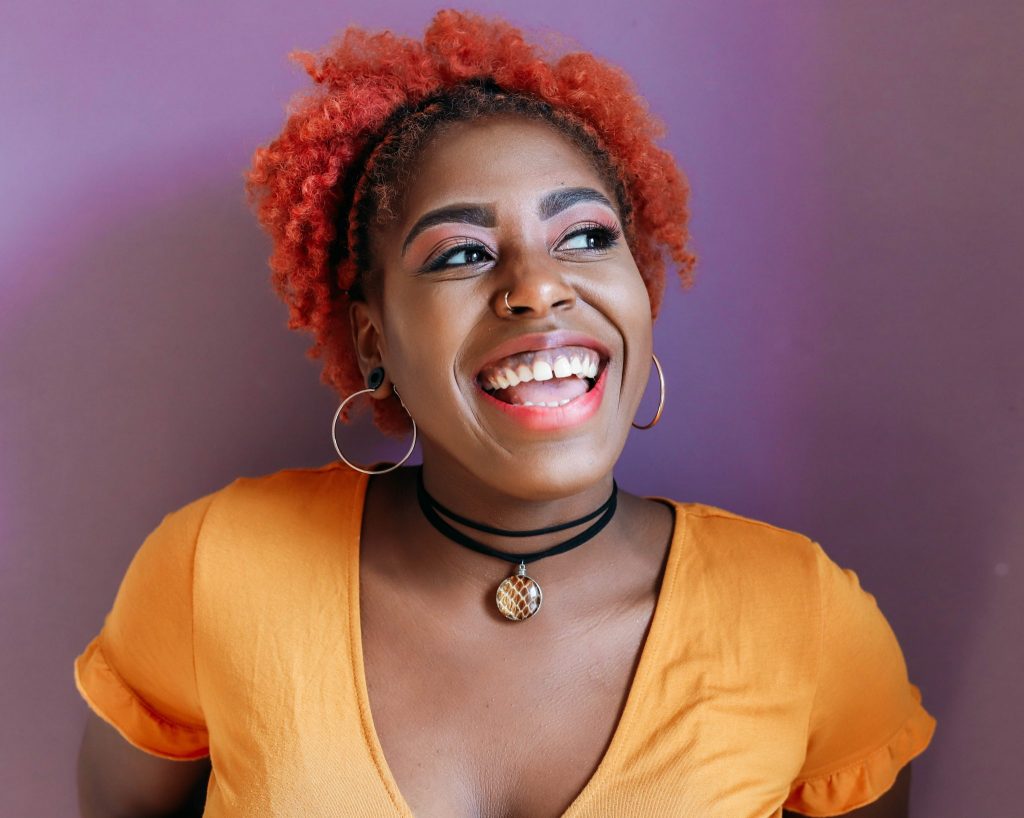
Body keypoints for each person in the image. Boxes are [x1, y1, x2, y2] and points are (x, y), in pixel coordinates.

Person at [73, 10, 936, 817]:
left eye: (588, 238)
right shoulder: (214, 568)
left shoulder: (806, 618)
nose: (538, 286)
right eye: (461, 253)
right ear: (373, 342)